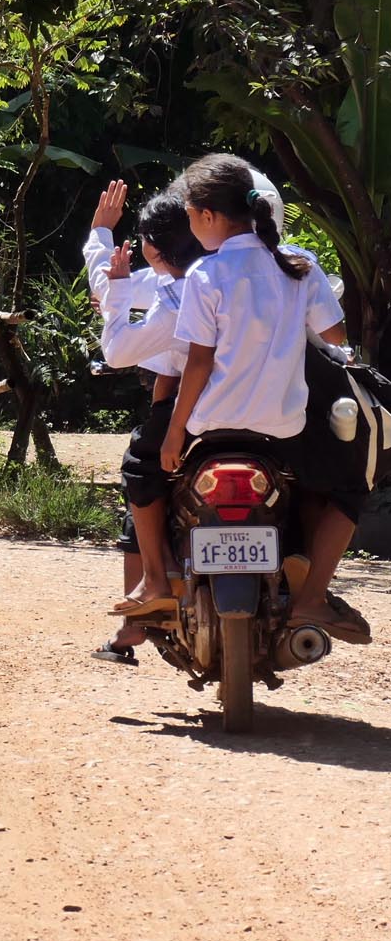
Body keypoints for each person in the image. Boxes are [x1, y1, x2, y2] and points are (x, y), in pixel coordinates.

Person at [158, 153, 363, 641]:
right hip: (283, 431)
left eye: (189, 215)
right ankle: (312, 595)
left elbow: (199, 364)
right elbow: (334, 339)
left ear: (208, 216)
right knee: (347, 489)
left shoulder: (205, 276)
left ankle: (160, 584)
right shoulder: (300, 265)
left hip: (212, 428)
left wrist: (173, 434)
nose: (190, 225)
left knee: (154, 484)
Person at [83, 183, 204, 658]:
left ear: (155, 249)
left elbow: (116, 350)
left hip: (191, 414)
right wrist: (111, 277)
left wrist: (101, 236)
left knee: (141, 476)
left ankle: (145, 601)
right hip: (268, 413)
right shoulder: (235, 274)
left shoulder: (172, 296)